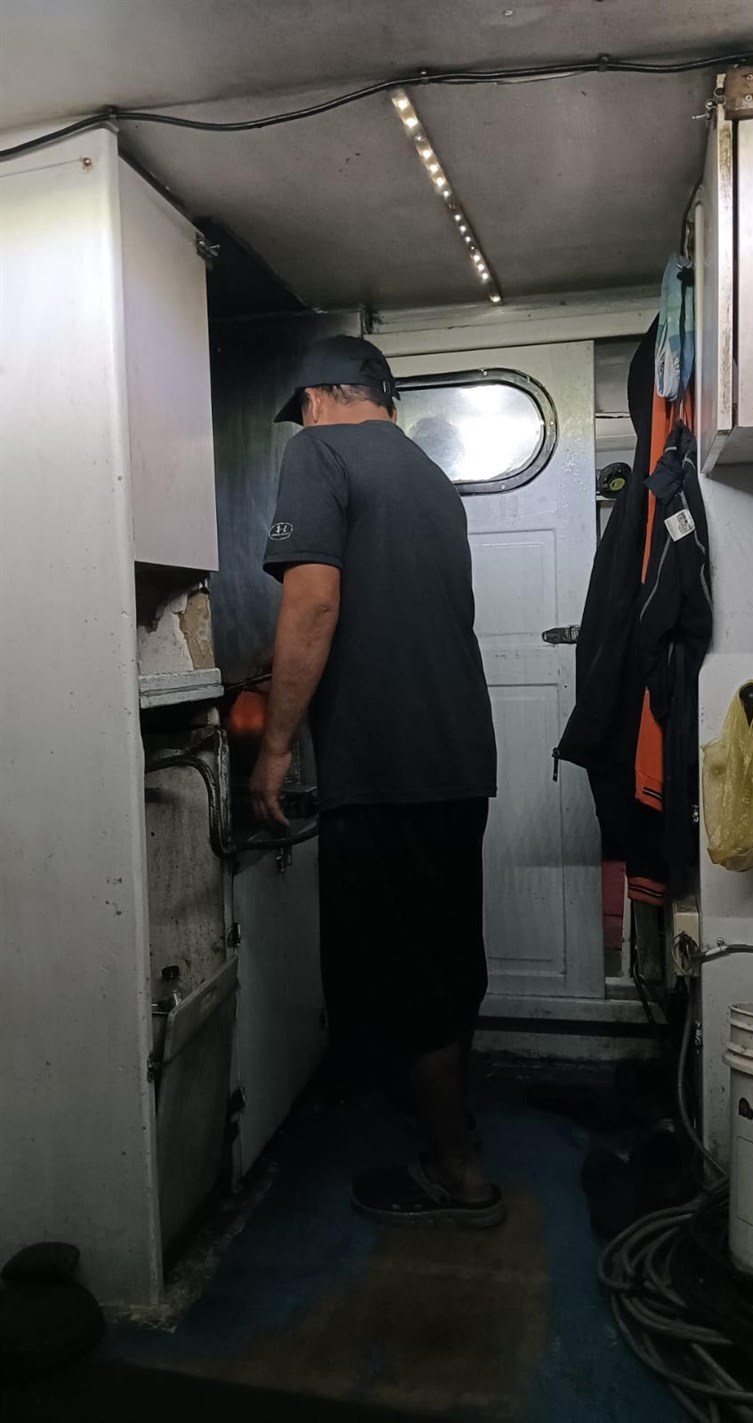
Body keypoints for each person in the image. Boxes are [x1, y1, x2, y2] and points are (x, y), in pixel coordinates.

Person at [250, 334, 503, 1228]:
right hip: (457, 755)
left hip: (385, 759)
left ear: (322, 396)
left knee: (404, 970)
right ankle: (454, 1122)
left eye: (305, 405)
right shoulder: (431, 479)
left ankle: (458, 1172)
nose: (306, 418)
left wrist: (276, 744)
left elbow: (313, 601)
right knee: (446, 952)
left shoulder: (315, 451)